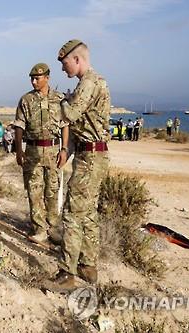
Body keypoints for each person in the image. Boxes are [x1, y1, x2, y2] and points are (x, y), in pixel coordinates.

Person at [52, 39, 111, 288]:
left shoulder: (88, 83)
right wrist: (68, 150)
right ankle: (88, 265)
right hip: (91, 155)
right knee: (87, 213)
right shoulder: (90, 82)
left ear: (77, 59)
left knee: (72, 214)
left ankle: (67, 274)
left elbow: (70, 114)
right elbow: (82, 126)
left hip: (91, 158)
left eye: (65, 64)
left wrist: (58, 100)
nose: (63, 69)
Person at [13, 62, 69, 243]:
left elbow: (65, 126)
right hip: (32, 150)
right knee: (34, 190)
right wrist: (19, 149)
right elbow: (19, 126)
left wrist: (64, 149)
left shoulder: (60, 99)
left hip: (53, 150)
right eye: (32, 78)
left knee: (52, 189)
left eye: (37, 78)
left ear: (47, 78)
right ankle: (39, 229)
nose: (34, 82)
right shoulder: (26, 100)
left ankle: (53, 228)